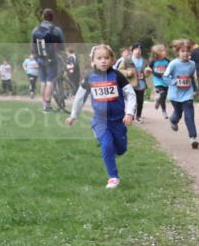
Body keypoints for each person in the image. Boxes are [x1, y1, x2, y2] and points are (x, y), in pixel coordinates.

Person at [66, 44, 136, 189]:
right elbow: (79, 98)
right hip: (100, 121)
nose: (103, 61)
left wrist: (129, 113)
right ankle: (113, 177)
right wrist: (73, 116)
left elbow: (130, 94)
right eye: (99, 58)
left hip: (118, 121)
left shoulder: (117, 76)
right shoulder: (90, 78)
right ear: (93, 61)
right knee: (106, 145)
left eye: (106, 58)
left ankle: (112, 150)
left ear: (112, 60)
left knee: (121, 149)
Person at [164, 39, 199, 148]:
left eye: (187, 51)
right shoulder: (173, 64)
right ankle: (173, 120)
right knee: (178, 114)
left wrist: (195, 89)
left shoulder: (192, 64)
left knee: (189, 116)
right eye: (182, 51)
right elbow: (165, 77)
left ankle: (193, 138)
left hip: (187, 94)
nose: (185, 53)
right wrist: (175, 82)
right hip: (175, 95)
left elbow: (191, 77)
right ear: (178, 52)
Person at [31, 9, 66, 112]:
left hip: (40, 58)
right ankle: (47, 104)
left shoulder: (35, 30)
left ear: (43, 16)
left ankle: (44, 105)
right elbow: (62, 46)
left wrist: (36, 57)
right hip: (52, 59)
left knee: (43, 82)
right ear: (52, 17)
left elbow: (33, 47)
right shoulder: (56, 30)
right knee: (50, 81)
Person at [145, 44, 170, 117]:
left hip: (166, 81)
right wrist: (149, 70)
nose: (164, 52)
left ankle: (158, 102)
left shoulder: (167, 61)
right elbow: (148, 68)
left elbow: (171, 69)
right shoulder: (153, 61)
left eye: (164, 51)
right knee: (162, 94)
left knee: (163, 97)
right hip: (158, 81)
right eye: (162, 51)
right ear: (157, 53)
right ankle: (164, 111)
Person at [128, 44, 147, 122]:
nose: (138, 51)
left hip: (141, 83)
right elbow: (120, 70)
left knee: (140, 101)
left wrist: (147, 72)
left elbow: (147, 71)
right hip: (131, 83)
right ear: (132, 51)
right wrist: (128, 73)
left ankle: (138, 116)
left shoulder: (144, 61)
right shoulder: (127, 60)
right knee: (132, 101)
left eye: (139, 50)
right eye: (136, 49)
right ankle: (131, 115)